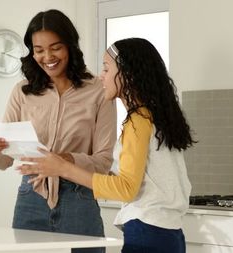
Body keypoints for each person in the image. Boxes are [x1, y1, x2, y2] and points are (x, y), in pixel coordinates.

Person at [18, 38, 196, 253]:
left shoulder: (138, 121)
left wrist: (63, 168)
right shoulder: (157, 116)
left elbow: (126, 189)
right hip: (170, 234)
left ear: (128, 74)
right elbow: (140, 179)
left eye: (106, 68)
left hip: (147, 233)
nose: (101, 75)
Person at [0, 9, 117, 253]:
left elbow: (104, 162)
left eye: (55, 48)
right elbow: (3, 161)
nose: (47, 57)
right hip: (31, 197)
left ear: (70, 46)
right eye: (39, 50)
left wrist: (65, 161)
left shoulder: (98, 90)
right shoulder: (22, 91)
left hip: (80, 198)